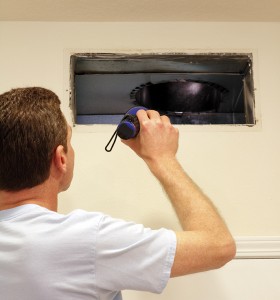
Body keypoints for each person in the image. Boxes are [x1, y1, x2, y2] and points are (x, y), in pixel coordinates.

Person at [0, 87, 236, 299]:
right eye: (70, 142)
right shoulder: (86, 240)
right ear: (60, 158)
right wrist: (162, 158)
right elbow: (218, 246)